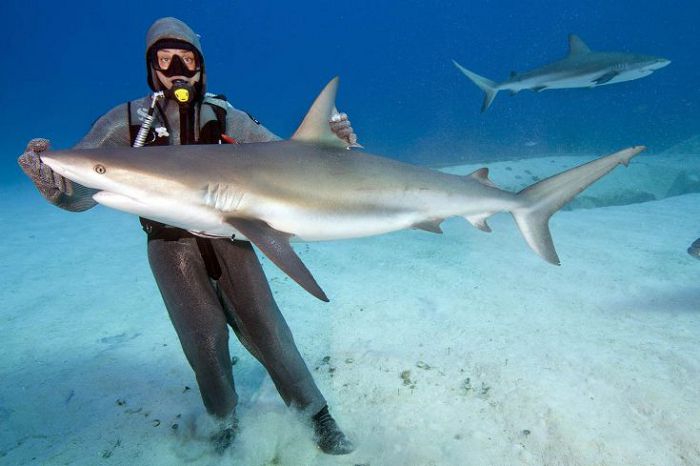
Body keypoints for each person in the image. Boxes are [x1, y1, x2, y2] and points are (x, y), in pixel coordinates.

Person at [18, 17, 357, 455]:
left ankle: (316, 414)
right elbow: (87, 188)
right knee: (203, 341)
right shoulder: (124, 123)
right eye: (165, 59)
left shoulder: (226, 116)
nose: (177, 69)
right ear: (151, 67)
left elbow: (289, 162)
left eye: (187, 59)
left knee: (269, 330)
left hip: (231, 237)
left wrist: (329, 149)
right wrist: (57, 190)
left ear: (201, 65)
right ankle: (222, 419)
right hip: (169, 245)